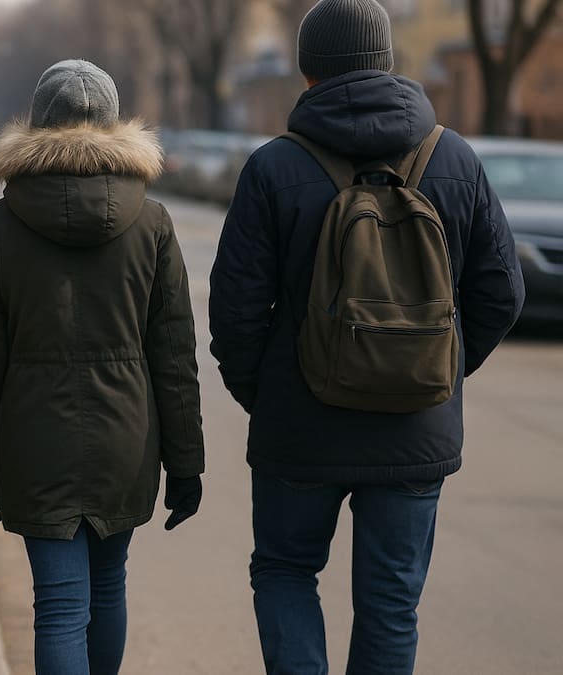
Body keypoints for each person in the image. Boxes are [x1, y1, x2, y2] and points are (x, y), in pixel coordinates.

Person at [209, 1, 526, 673]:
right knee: (390, 603)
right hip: (415, 425)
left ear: (307, 71)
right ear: (387, 61)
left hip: (300, 426)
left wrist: (269, 393)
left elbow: (235, 311)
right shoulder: (454, 158)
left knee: (286, 570)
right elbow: (503, 292)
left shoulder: (273, 167)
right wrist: (433, 369)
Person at [0, 60, 206, 675]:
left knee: (59, 605)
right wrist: (186, 462)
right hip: (126, 437)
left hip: (32, 439)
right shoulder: (153, 223)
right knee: (108, 586)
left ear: (37, 124)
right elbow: (174, 355)